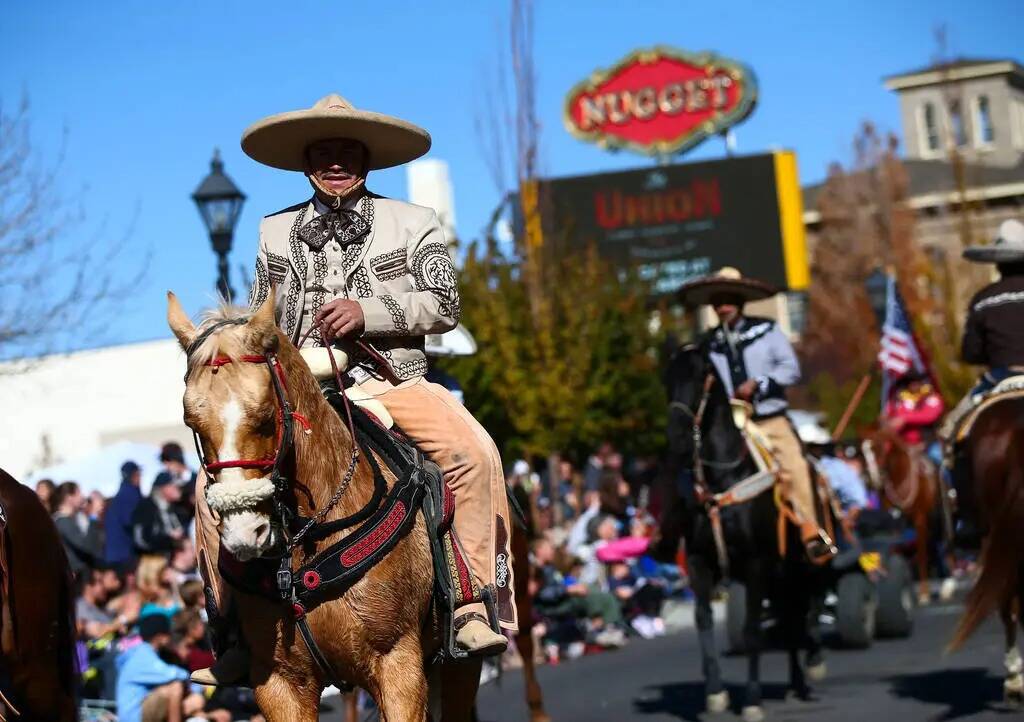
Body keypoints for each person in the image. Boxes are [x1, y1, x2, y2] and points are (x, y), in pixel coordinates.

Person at [193, 93, 513, 684]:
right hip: (301, 397)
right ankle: (232, 631)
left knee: (472, 454)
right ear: (306, 164)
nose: (335, 162)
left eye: (346, 152)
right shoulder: (273, 231)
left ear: (366, 162)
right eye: (322, 153)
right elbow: (268, 315)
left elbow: (445, 304)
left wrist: (369, 312)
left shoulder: (413, 221)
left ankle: (471, 600)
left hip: (391, 384)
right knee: (213, 485)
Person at [678, 267, 834, 563]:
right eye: (717, 301)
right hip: (731, 426)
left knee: (795, 465)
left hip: (768, 419)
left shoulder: (767, 330)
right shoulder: (708, 343)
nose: (722, 306)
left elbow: (791, 368)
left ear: (739, 302)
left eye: (728, 300)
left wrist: (759, 384)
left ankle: (812, 531)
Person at [943, 218, 1024, 434]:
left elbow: (971, 353)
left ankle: (951, 467)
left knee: (951, 429)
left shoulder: (982, 299)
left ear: (997, 264)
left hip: (1000, 377)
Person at [115, 614, 207, 722]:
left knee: (196, 700)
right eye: (167, 633)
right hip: (133, 716)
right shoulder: (142, 654)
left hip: (143, 708)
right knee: (175, 687)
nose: (169, 637)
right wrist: (197, 684)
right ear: (159, 636)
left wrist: (194, 689)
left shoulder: (147, 653)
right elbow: (172, 674)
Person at [884, 371, 945, 466]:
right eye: (910, 382)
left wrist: (905, 418)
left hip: (928, 443)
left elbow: (930, 416)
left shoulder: (931, 397)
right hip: (904, 446)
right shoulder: (901, 401)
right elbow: (894, 421)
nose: (914, 385)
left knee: (940, 459)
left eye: (916, 382)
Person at [52, 481, 101, 577]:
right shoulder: (63, 522)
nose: (82, 497)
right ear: (69, 497)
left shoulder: (73, 519)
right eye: (78, 493)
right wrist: (94, 516)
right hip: (78, 576)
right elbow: (87, 546)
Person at [132, 475, 185, 556]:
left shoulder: (177, 507)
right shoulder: (147, 506)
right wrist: (169, 539)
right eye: (174, 485)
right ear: (163, 488)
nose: (178, 489)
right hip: (154, 561)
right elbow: (140, 540)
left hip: (173, 558)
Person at [106, 461, 143, 569]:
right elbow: (130, 520)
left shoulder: (125, 492)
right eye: (137, 474)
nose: (140, 477)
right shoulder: (129, 494)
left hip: (118, 552)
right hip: (123, 553)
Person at [154, 442, 197, 527]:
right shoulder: (162, 478)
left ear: (176, 460)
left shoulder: (195, 478)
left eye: (168, 462)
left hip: (192, 526)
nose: (166, 467)